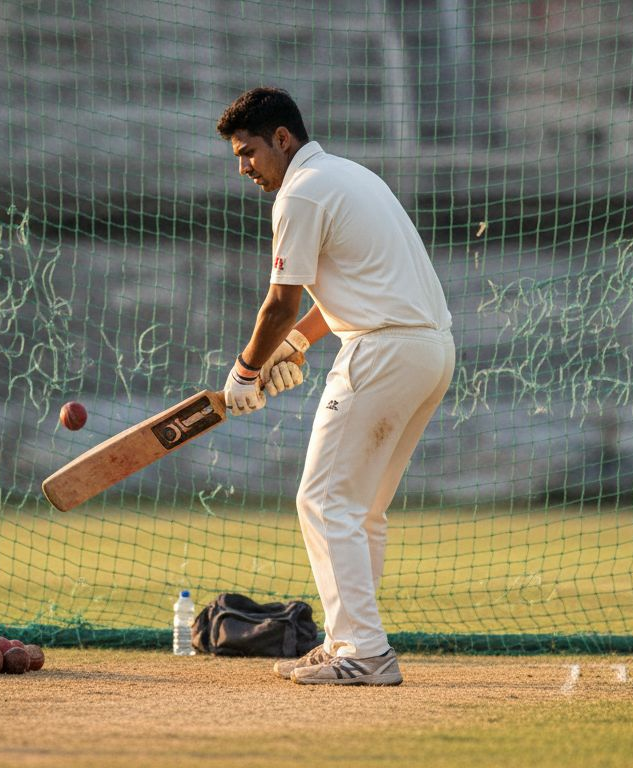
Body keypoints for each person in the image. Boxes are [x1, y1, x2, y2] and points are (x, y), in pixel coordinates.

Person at [217, 87, 454, 686]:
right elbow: (349, 285)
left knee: (323, 501)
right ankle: (347, 640)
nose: (244, 168)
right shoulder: (348, 175)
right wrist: (296, 344)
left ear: (281, 139)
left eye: (248, 153)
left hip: (382, 352)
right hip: (430, 350)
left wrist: (246, 370)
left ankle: (365, 651)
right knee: (363, 509)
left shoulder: (299, 192)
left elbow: (280, 301)